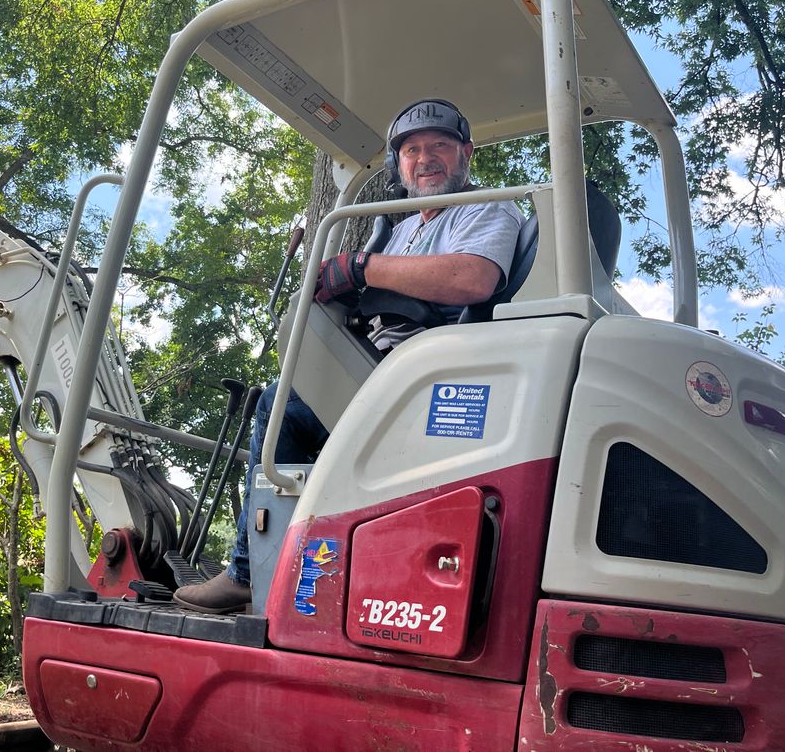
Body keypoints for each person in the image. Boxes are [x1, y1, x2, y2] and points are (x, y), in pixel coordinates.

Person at [173, 98, 525, 614]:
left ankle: (248, 573)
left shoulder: (487, 206)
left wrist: (361, 268)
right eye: (412, 150)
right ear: (398, 165)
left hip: (427, 372)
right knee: (289, 410)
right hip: (382, 367)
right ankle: (300, 576)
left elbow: (472, 277)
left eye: (440, 147)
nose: (425, 159)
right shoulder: (401, 224)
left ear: (466, 154)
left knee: (282, 408)